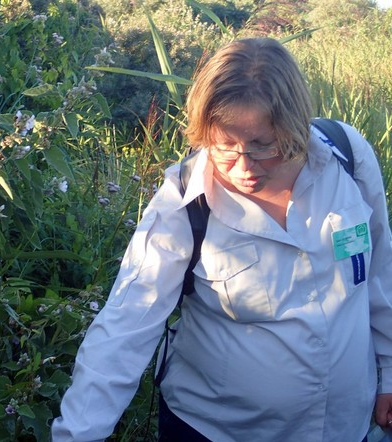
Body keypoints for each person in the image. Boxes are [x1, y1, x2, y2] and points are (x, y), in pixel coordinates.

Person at [51, 37, 392, 442]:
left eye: (264, 145)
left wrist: (389, 372)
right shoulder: (184, 199)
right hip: (216, 430)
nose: (243, 167)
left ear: (295, 126)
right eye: (225, 146)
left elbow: (380, 272)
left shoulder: (347, 157)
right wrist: (77, 435)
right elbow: (127, 323)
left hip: (345, 426)